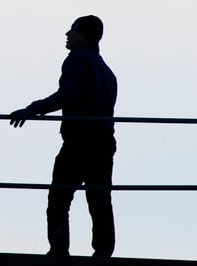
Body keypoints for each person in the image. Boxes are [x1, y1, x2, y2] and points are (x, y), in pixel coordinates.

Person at [8, 15, 117, 258]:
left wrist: (32, 109)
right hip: (103, 142)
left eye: (72, 31)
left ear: (83, 35)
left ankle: (59, 250)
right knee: (99, 200)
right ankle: (103, 251)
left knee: (59, 198)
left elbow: (65, 96)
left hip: (79, 141)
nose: (67, 34)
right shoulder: (107, 72)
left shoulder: (76, 61)